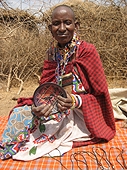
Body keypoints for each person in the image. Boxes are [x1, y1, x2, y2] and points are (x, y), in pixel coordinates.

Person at [0, 5, 116, 161]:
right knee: (20, 113)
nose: (62, 28)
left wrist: (75, 101)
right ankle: (10, 147)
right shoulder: (51, 53)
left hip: (82, 114)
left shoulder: (87, 51)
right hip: (56, 110)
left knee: (41, 135)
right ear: (50, 28)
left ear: (76, 25)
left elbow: (100, 94)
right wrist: (40, 105)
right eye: (56, 24)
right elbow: (45, 87)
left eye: (67, 22)